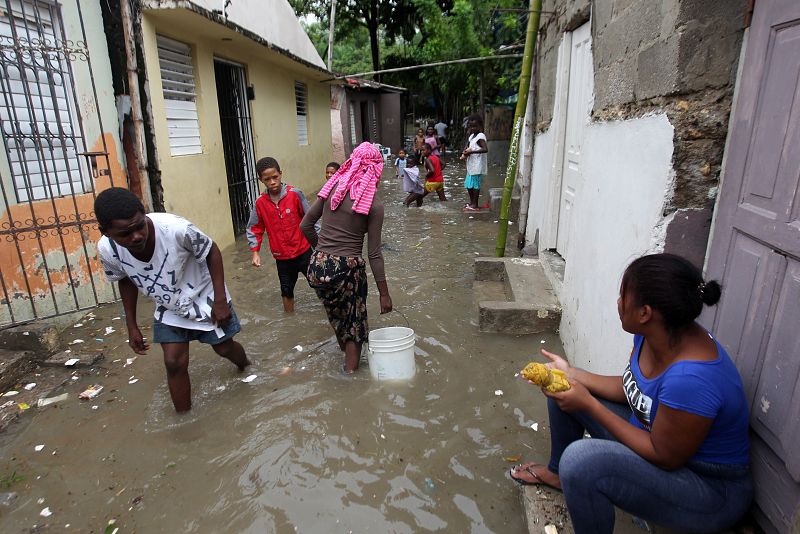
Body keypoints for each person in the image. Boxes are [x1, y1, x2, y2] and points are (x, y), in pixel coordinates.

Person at [510, 253, 752, 534]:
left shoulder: (690, 378)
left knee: (580, 462)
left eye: (623, 295)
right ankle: (557, 475)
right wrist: (572, 375)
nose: (618, 302)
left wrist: (588, 404)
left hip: (708, 489)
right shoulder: (655, 334)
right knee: (564, 387)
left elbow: (664, 455)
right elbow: (632, 389)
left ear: (645, 313)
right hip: (659, 442)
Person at [95, 187, 250, 412]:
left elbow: (211, 251)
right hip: (168, 303)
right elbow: (125, 279)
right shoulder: (108, 250)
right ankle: (184, 420)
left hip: (204, 295)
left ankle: (246, 366)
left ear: (144, 214)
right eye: (125, 234)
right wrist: (131, 325)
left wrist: (220, 300)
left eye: (139, 226)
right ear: (106, 232)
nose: (136, 236)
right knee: (173, 362)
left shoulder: (176, 230)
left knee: (224, 348)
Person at [300, 142, 392, 373]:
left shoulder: (332, 188)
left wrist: (323, 254)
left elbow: (305, 225)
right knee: (354, 327)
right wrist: (384, 294)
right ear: (376, 169)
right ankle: (350, 378)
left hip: (317, 266)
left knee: (337, 316)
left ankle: (346, 361)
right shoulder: (374, 204)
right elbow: (374, 254)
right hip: (347, 269)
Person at [246, 157, 313, 313]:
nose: (272, 182)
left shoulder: (295, 194)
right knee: (286, 290)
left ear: (281, 174)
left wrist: (321, 246)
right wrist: (255, 252)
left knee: (320, 284)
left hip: (304, 252)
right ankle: (290, 319)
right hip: (282, 258)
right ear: (261, 180)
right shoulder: (260, 203)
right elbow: (254, 228)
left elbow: (310, 219)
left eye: (275, 177)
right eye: (267, 179)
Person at [461, 114, 488, 211]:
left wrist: (471, 152)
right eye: (471, 126)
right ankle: (472, 202)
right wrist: (465, 152)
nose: (473, 128)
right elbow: (468, 146)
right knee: (469, 185)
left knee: (475, 185)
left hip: (477, 165)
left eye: (475, 126)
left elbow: (485, 149)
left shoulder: (480, 136)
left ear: (480, 126)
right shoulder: (472, 136)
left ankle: (475, 204)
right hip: (471, 165)